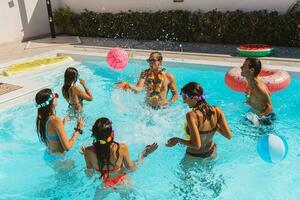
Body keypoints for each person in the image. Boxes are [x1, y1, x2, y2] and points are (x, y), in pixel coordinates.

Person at [82, 117, 158, 188]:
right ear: (112, 134)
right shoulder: (121, 148)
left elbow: (89, 174)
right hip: (122, 182)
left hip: (104, 185)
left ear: (94, 135)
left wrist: (86, 154)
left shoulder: (88, 152)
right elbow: (131, 169)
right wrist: (144, 154)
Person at [166, 82, 232, 158]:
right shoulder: (217, 110)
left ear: (193, 98)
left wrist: (177, 140)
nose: (184, 101)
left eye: (184, 97)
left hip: (194, 156)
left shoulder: (191, 115)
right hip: (211, 152)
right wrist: (215, 126)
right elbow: (229, 136)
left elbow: (196, 145)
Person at [35, 88, 85, 154]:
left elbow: (51, 134)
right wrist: (78, 129)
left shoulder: (42, 119)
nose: (57, 97)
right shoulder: (55, 120)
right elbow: (67, 147)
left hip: (50, 155)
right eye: (55, 95)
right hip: (60, 162)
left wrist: (62, 124)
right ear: (51, 102)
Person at [241, 58, 275, 125]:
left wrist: (258, 119)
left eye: (244, 66)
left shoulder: (258, 86)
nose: (241, 67)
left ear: (252, 70)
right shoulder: (250, 82)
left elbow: (270, 108)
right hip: (256, 112)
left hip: (266, 119)